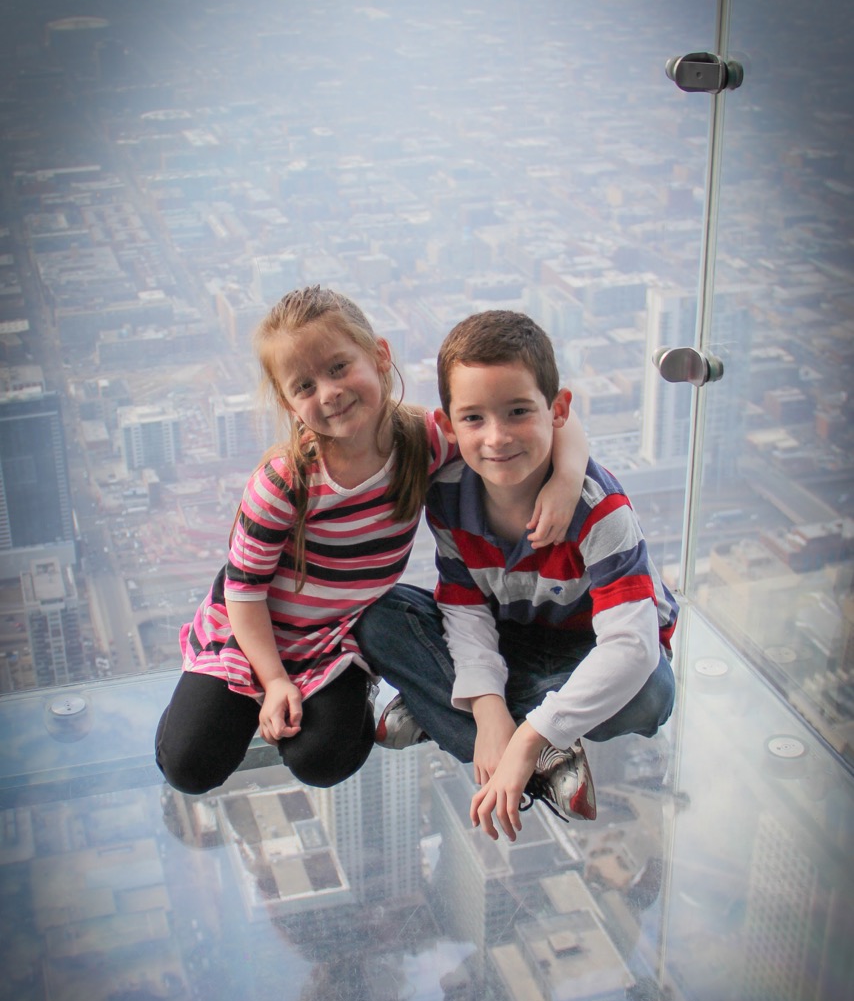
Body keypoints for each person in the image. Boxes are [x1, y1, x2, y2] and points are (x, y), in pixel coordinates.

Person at [155, 289, 589, 797]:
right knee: (189, 767)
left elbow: (552, 412)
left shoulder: (423, 441)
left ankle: (513, 741)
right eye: (305, 385)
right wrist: (272, 682)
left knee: (324, 761)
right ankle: (236, 701)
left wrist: (566, 480)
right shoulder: (283, 483)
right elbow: (244, 592)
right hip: (253, 627)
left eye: (340, 367)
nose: (330, 392)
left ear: (380, 355)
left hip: (333, 637)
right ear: (287, 402)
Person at [355, 309, 678, 840]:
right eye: (474, 418)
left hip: (586, 649)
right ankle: (540, 742)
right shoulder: (450, 492)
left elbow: (633, 648)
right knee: (378, 616)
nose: (498, 437)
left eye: (518, 412)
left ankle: (471, 721)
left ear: (558, 411)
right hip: (508, 643)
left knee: (649, 696)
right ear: (449, 424)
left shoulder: (599, 510)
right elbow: (464, 607)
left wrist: (526, 733)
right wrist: (487, 709)